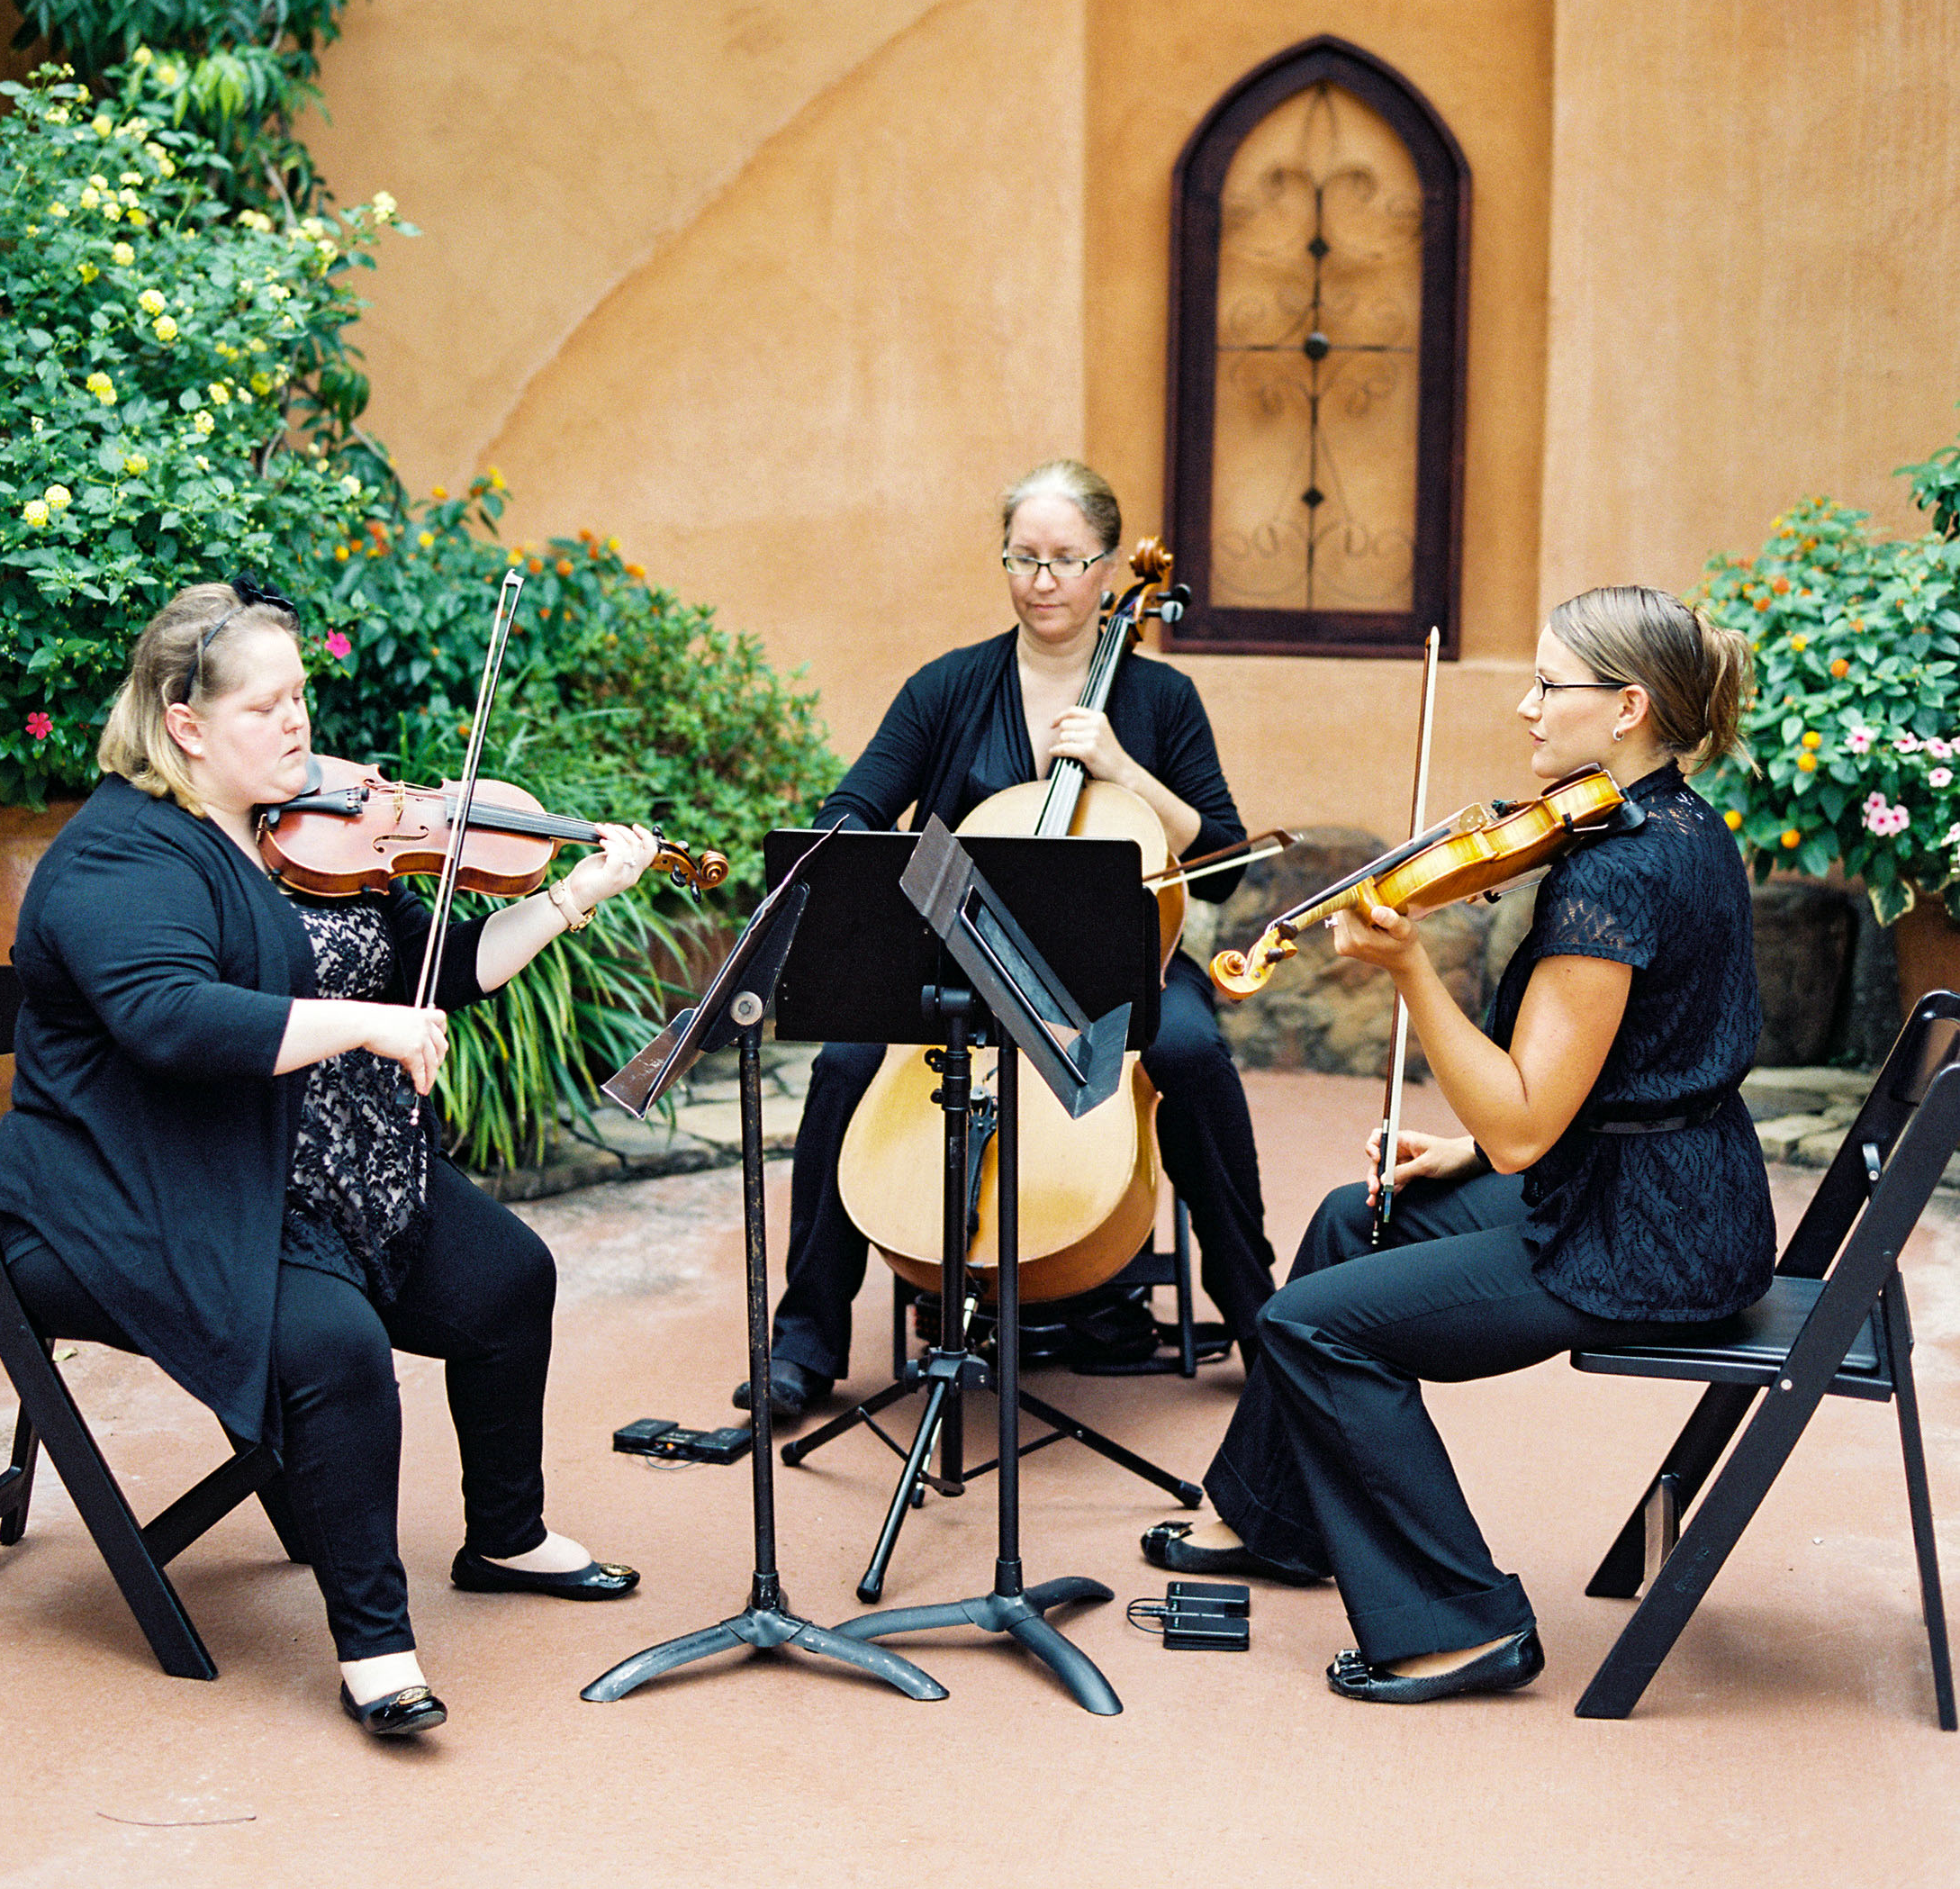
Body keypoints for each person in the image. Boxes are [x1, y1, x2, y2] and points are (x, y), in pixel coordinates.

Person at [0, 577, 662, 1740]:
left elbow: (431, 967)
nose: (301, 725)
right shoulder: (119, 860)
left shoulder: (295, 828)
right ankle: (376, 1645)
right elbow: (173, 1019)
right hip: (139, 1193)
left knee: (506, 1279)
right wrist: (365, 1026)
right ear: (186, 724)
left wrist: (574, 895)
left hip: (304, 1161)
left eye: (302, 695)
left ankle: (503, 1535)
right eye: (268, 706)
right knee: (333, 1344)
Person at [1141, 584, 1771, 1705]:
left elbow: (1526, 1121)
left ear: (1625, 706)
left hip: (1639, 1234)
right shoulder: (1669, 818)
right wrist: (1466, 1156)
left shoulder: (1614, 873)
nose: (1525, 707)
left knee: (1312, 1329)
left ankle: (1462, 1621)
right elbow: (1612, 1076)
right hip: (1652, 1184)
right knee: (1350, 1217)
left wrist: (1409, 971)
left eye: (1547, 684)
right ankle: (1273, 1517)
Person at [741, 459, 1276, 1420]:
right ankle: (805, 1339)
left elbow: (1225, 861)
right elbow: (855, 803)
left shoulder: (1160, 701)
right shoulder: (945, 687)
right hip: (959, 955)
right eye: (1021, 557)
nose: (1041, 580)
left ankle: (1255, 1312)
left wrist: (1122, 769)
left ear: (1109, 568)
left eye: (1065, 560)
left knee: (1191, 1053)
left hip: (1117, 960)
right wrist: (853, 845)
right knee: (842, 1064)